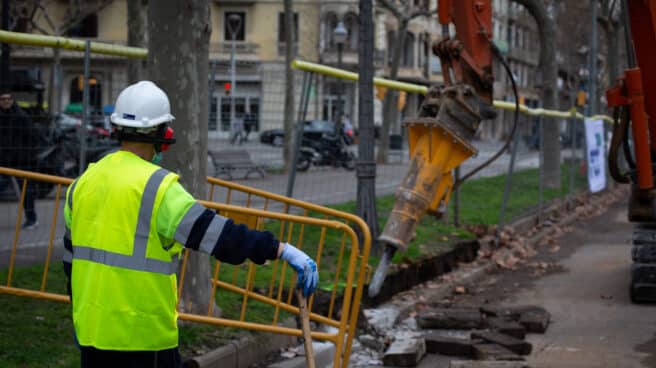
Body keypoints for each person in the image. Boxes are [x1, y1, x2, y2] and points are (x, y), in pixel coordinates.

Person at [62, 81, 318, 368]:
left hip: (92, 334)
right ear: (162, 134)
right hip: (143, 339)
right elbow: (219, 236)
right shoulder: (157, 188)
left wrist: (79, 315)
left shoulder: (82, 184)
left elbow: (71, 261)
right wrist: (280, 249)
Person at [0, 89, 39, 229]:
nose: (5, 101)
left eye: (8, 99)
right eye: (3, 99)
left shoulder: (21, 117)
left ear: (12, 100)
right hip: (3, 162)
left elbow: (32, 137)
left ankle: (32, 219)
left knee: (26, 192)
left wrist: (26, 157)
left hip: (21, 161)